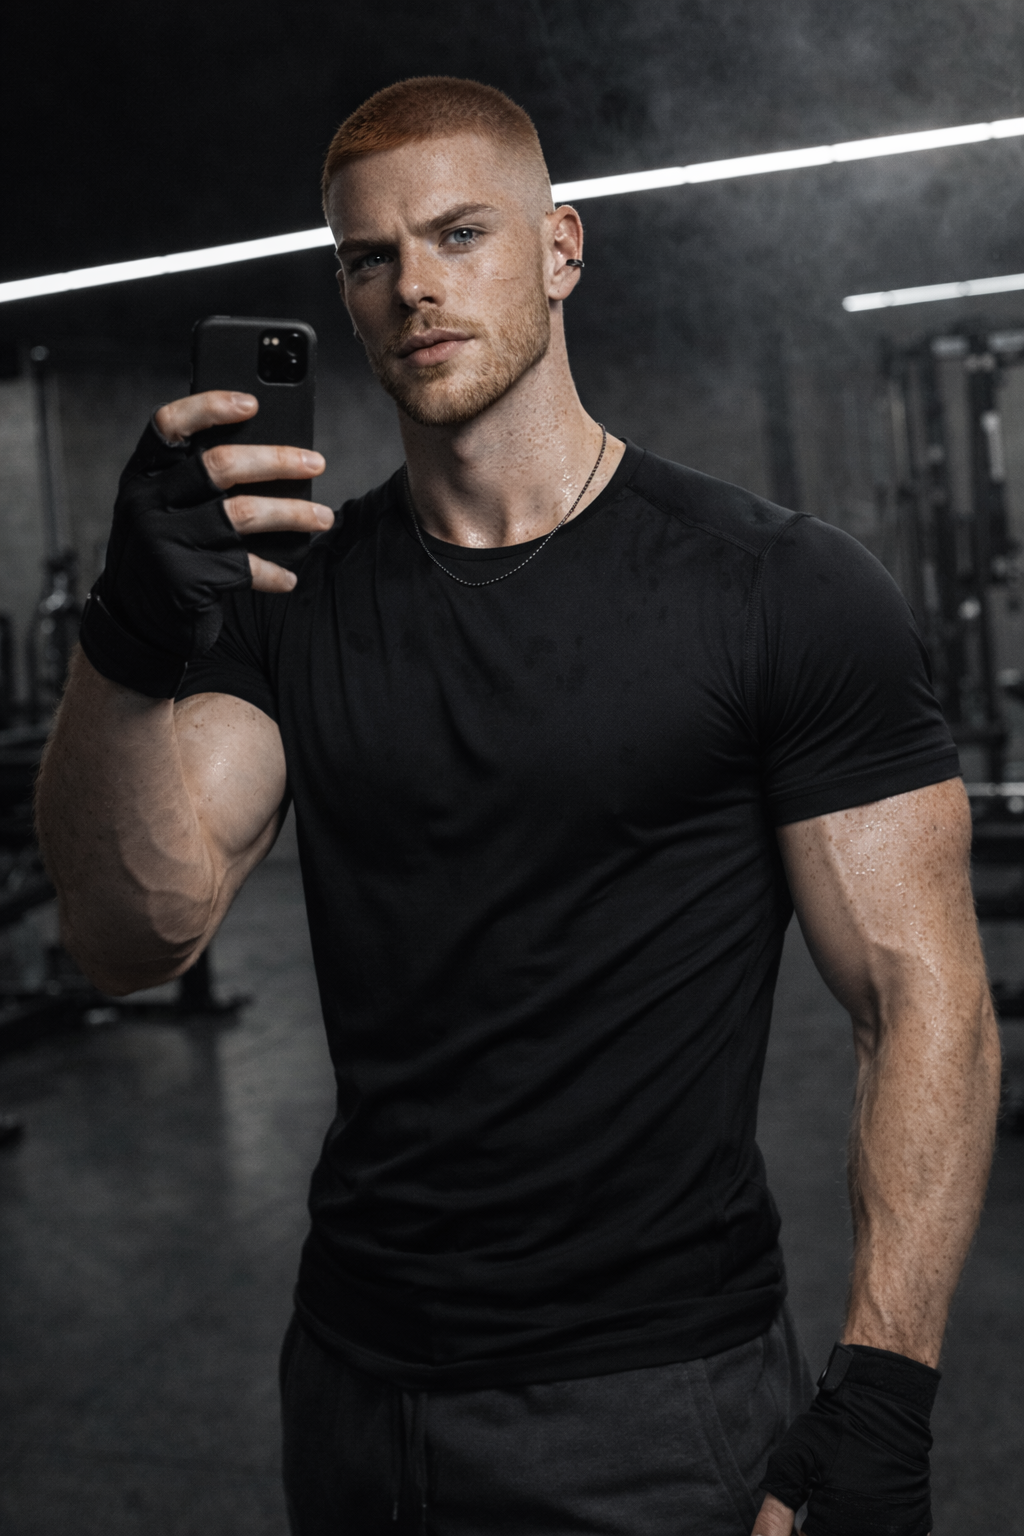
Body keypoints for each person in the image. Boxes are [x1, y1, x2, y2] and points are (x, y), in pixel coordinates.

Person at [36, 77, 1001, 1536]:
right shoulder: (291, 604)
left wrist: (884, 1388)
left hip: (655, 1395)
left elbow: (921, 995)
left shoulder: (781, 592)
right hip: (354, 1384)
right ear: (345, 299)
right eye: (370, 258)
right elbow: (132, 935)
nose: (414, 282)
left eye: (461, 233)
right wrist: (122, 635)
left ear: (562, 249)